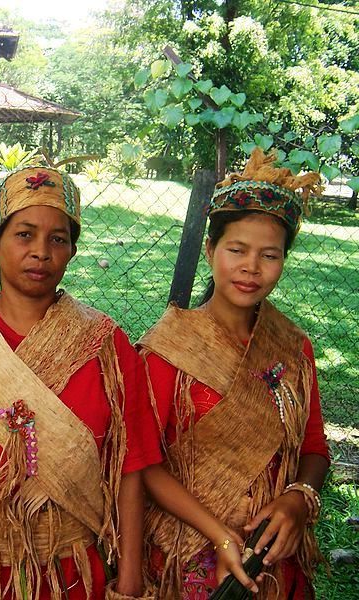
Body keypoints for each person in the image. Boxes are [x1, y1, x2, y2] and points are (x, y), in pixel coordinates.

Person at [0, 166, 161, 599]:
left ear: (72, 251)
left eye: (58, 239)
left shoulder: (104, 346)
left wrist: (129, 580)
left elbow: (131, 465)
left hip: (67, 572)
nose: (41, 251)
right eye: (24, 235)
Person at [139, 148, 330, 599]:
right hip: (184, 556)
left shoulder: (292, 348)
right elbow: (146, 464)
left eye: (270, 255)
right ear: (210, 250)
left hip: (271, 558)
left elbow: (315, 448)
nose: (251, 267)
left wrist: (298, 497)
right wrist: (220, 534)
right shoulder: (168, 349)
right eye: (237, 250)